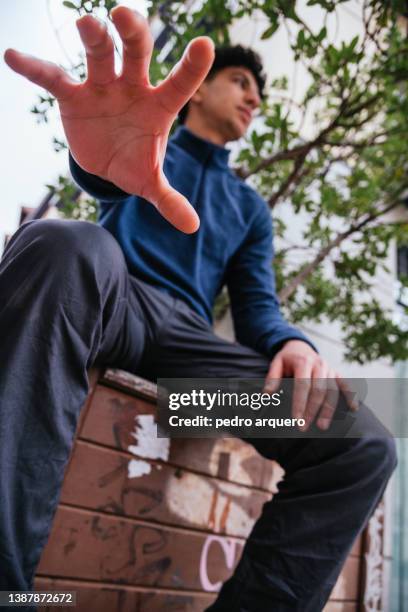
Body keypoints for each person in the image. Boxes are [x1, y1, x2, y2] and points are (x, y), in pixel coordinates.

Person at [1, 6, 397, 611]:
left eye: (260, 93)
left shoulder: (250, 209)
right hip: (110, 301)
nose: (254, 99)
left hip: (190, 372)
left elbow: (257, 307)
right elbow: (105, 180)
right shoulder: (149, 137)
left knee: (362, 438)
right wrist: (96, 167)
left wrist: (294, 342)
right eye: (242, 82)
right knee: (64, 243)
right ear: (200, 89)